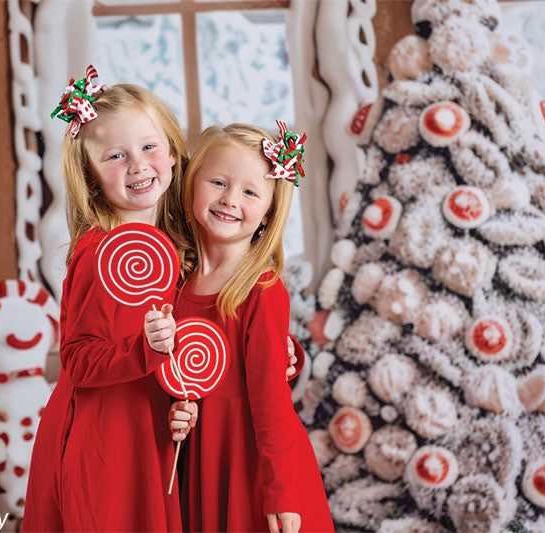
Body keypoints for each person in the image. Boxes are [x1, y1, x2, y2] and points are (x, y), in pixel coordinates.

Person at [22, 68, 191, 531]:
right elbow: (76, 359)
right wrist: (145, 349)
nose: (138, 164)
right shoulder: (98, 253)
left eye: (149, 146)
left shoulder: (179, 246)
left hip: (153, 429)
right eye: (115, 156)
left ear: (173, 153)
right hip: (104, 436)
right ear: (92, 177)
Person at [146, 123, 333, 533]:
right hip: (198, 457)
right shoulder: (171, 283)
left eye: (250, 192)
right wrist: (176, 411)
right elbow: (171, 377)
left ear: (269, 211)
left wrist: (281, 491)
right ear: (192, 185)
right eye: (218, 182)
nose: (230, 199)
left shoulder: (262, 291)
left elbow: (272, 404)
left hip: (251, 461)